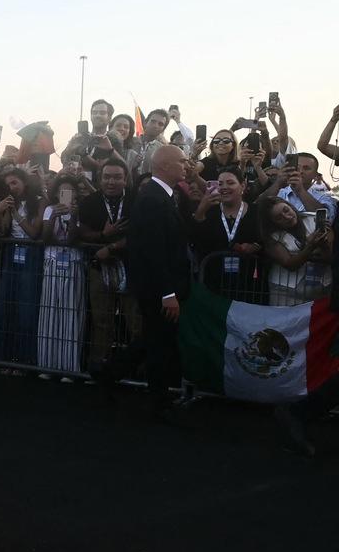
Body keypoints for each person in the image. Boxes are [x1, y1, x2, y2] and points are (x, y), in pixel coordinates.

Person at [123, 145, 192, 419]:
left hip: (162, 286)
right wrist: (167, 293)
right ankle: (158, 402)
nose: (186, 165)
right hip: (158, 288)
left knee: (155, 339)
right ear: (165, 165)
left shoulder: (163, 196)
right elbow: (154, 250)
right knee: (159, 344)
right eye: (182, 161)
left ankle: (109, 371)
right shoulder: (153, 198)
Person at [79, 158, 140, 370]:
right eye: (106, 177)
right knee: (101, 321)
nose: (111, 182)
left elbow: (143, 233)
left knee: (136, 322)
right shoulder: (89, 202)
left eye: (116, 177)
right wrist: (103, 235)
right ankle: (100, 368)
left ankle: (138, 371)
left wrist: (112, 247)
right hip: (99, 268)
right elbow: (83, 233)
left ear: (126, 179)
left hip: (131, 268)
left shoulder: (137, 200)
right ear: (99, 178)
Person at [0, 166, 44, 369]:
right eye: (8, 184)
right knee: (6, 306)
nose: (11, 187)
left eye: (15, 182)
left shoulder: (39, 201)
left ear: (24, 183)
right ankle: (4, 357)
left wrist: (16, 214)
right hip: (11, 254)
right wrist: (2, 212)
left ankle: (24, 359)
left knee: (26, 309)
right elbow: (3, 231)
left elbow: (34, 233)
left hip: (31, 256)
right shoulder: (8, 203)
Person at [36, 175, 85, 376]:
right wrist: (54, 217)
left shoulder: (80, 212)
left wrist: (73, 216)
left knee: (71, 313)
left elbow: (72, 238)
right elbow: (46, 237)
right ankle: (47, 364)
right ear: (56, 193)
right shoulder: (49, 210)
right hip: (52, 263)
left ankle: (69, 368)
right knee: (49, 312)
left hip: (73, 264)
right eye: (63, 191)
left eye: (70, 191)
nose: (67, 194)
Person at [188, 166, 262, 299]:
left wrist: (255, 246)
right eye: (220, 184)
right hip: (214, 283)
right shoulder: (210, 211)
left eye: (230, 183)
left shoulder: (256, 212)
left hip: (248, 284)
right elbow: (195, 239)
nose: (224, 187)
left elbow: (265, 240)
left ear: (242, 185)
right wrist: (201, 210)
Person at [257, 196, 333, 306]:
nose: (287, 217)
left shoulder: (313, 219)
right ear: (272, 222)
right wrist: (311, 246)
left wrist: (324, 245)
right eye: (279, 218)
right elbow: (290, 264)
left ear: (291, 206)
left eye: (286, 210)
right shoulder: (271, 237)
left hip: (321, 287)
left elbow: (330, 256)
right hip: (285, 291)